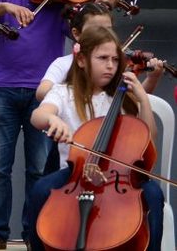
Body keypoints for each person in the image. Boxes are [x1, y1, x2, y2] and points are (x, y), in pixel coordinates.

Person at [0, 0, 118, 250]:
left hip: (46, 96)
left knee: (38, 171)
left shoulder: (62, 1)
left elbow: (87, 37)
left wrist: (100, 4)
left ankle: (33, 233)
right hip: (2, 90)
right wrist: (6, 6)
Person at [24, 26, 163, 251]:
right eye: (102, 58)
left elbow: (149, 138)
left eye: (115, 60)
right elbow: (38, 116)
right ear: (81, 60)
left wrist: (143, 100)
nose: (110, 65)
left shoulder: (121, 97)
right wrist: (52, 119)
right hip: (74, 175)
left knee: (154, 194)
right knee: (40, 189)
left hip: (118, 178)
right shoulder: (63, 93)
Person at [36, 2, 164, 101]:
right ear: (76, 34)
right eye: (96, 29)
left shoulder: (114, 65)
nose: (103, 35)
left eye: (108, 29)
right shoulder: (63, 64)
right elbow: (42, 92)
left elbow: (135, 100)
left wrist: (153, 78)